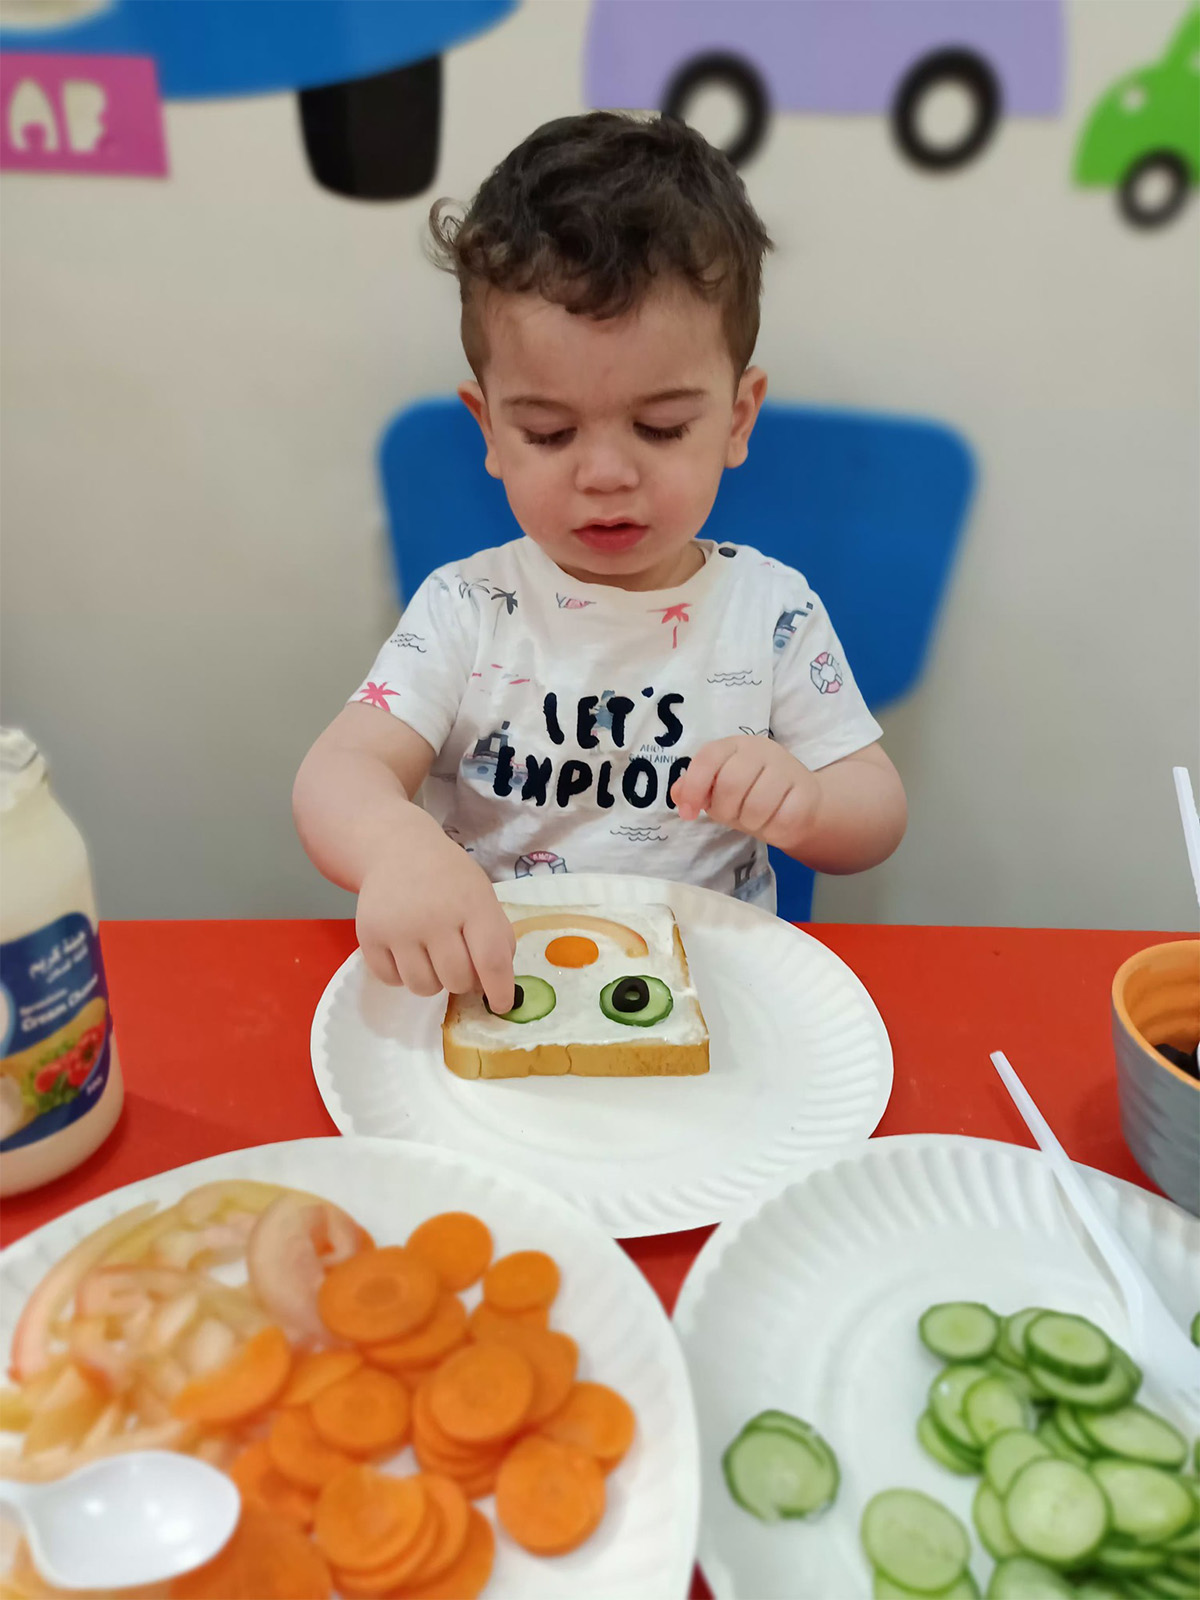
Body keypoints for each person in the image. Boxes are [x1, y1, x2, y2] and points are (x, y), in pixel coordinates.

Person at [293, 112, 907, 1017]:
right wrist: (394, 845)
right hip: (506, 987)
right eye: (549, 432)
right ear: (489, 429)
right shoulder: (466, 608)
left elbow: (876, 808)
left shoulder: (771, 611)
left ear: (737, 420)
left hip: (717, 1001)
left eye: (661, 427)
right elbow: (338, 771)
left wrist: (809, 802)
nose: (607, 474)